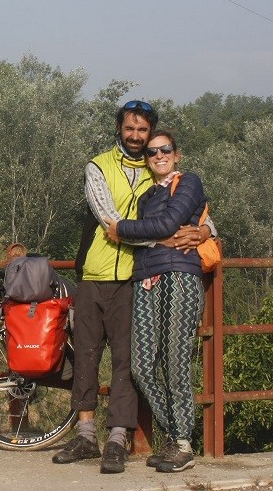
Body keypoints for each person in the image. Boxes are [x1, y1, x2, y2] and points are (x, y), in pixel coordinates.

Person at [52, 100, 208, 475]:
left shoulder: (159, 173)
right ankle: (85, 435)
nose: (138, 137)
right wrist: (162, 237)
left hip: (133, 277)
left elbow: (195, 213)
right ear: (119, 129)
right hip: (95, 271)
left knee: (127, 362)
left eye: (144, 131)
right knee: (86, 355)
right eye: (130, 129)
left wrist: (204, 231)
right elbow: (109, 219)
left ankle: (118, 439)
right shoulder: (98, 165)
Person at [104, 130, 207, 473]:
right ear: (147, 159)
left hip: (180, 275)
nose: (159, 155)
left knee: (176, 362)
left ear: (177, 154)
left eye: (165, 150)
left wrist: (121, 229)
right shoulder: (147, 195)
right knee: (142, 367)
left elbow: (167, 223)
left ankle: (183, 444)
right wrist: (150, 234)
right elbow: (157, 230)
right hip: (146, 278)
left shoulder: (189, 182)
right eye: (152, 152)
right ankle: (174, 436)